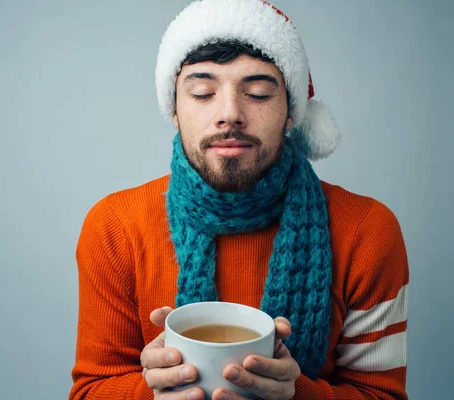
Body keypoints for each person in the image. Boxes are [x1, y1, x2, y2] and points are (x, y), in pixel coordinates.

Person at [69, 0, 409, 399]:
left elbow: (381, 395)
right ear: (174, 109)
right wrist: (154, 392)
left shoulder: (366, 230)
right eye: (202, 92)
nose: (230, 114)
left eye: (260, 93)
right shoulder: (114, 226)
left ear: (291, 112)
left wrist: (293, 394)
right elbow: (90, 390)